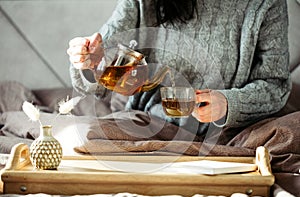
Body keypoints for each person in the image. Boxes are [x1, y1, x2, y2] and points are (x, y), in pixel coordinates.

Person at [67, 0, 291, 136]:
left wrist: (228, 104)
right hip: (149, 126)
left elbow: (275, 84)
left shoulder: (265, 4)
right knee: (86, 134)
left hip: (230, 132)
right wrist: (90, 62)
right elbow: (99, 76)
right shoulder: (141, 2)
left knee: (290, 133)